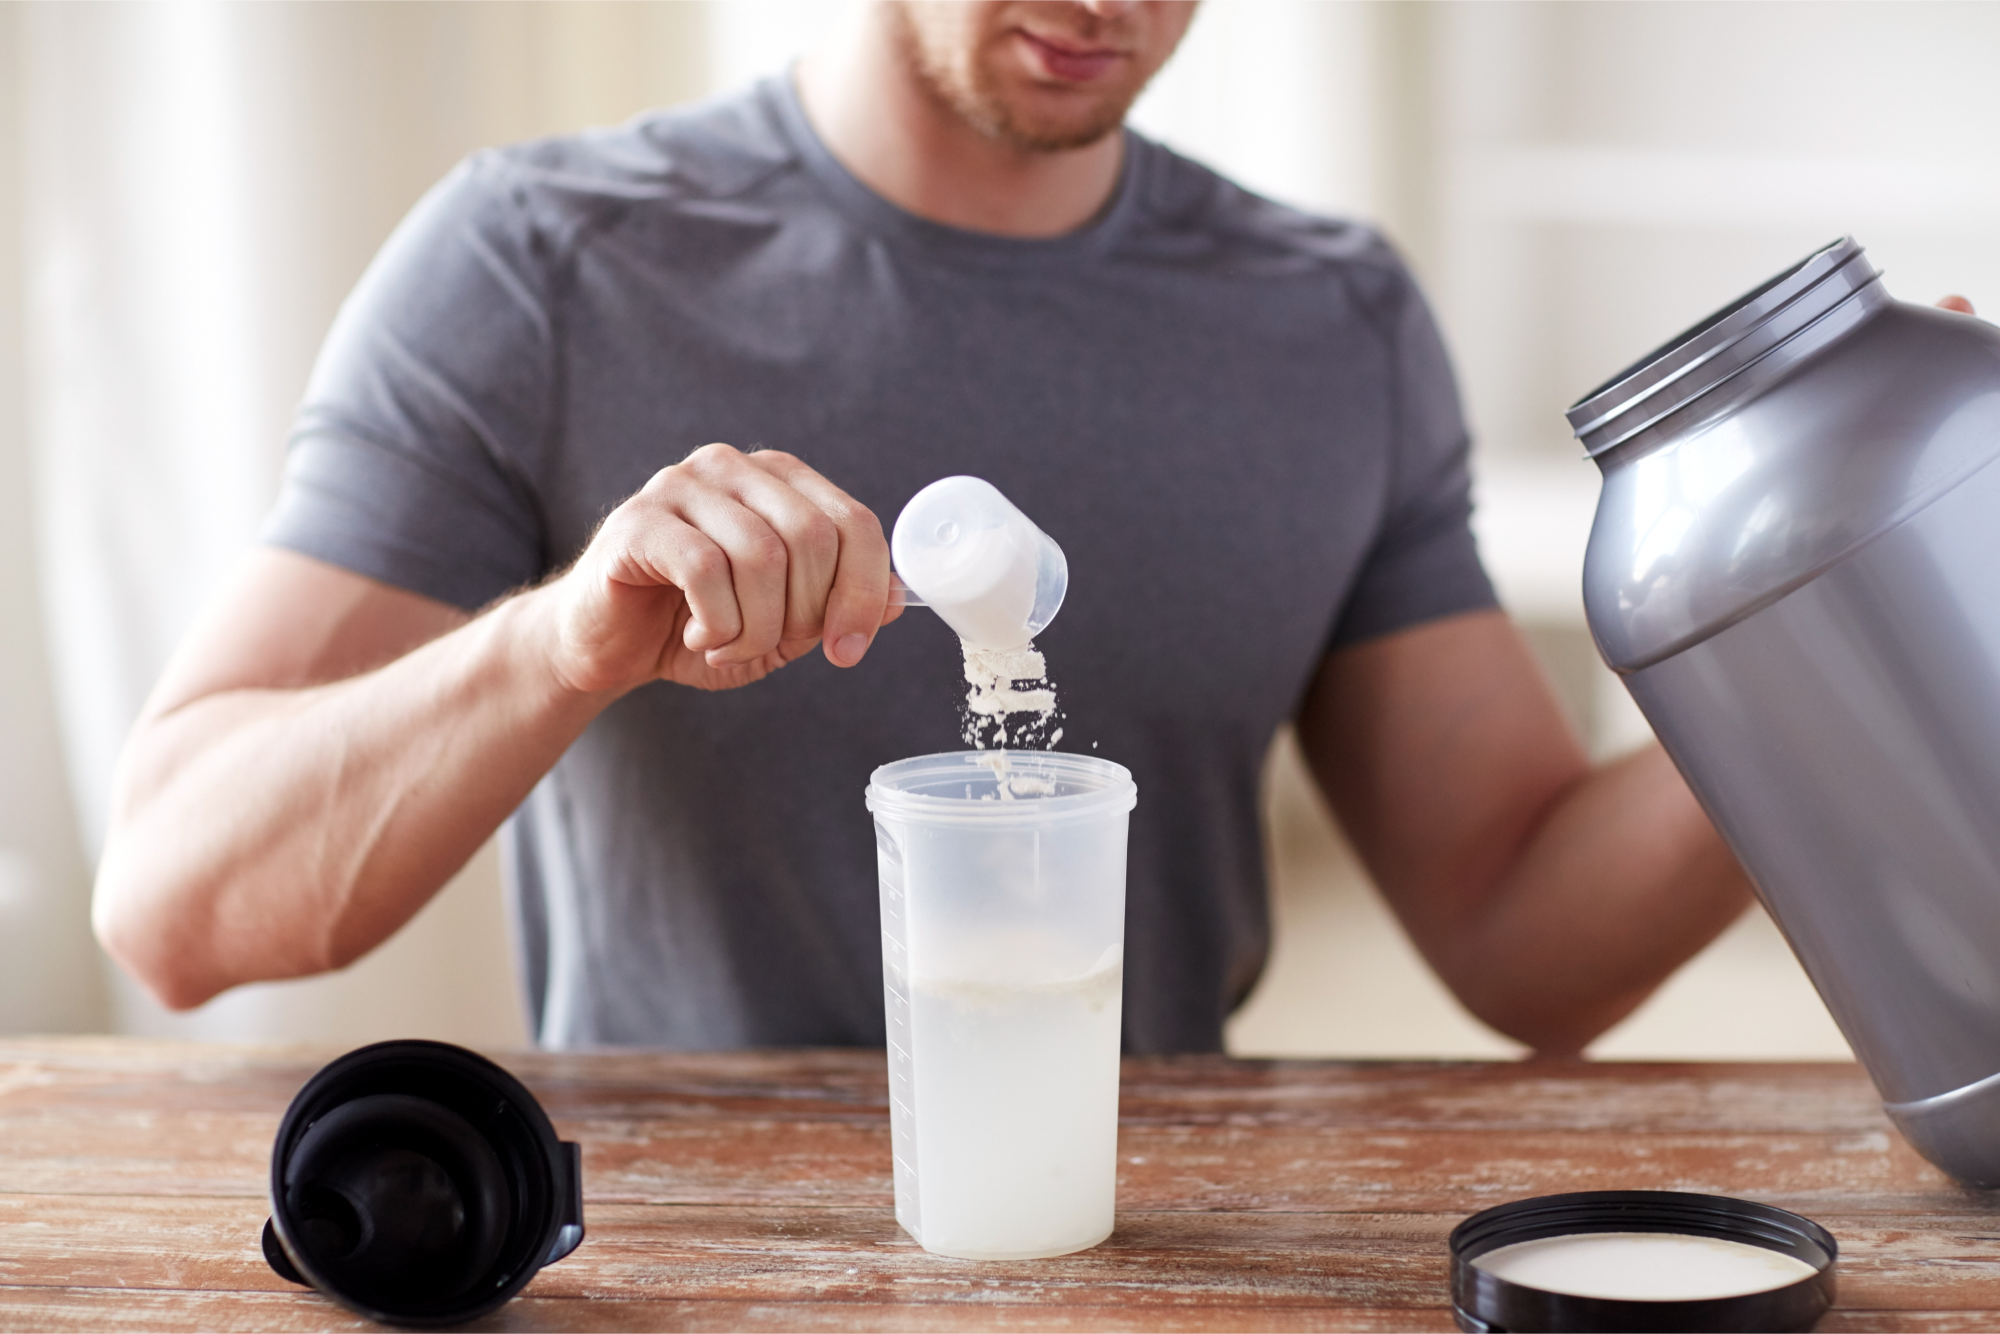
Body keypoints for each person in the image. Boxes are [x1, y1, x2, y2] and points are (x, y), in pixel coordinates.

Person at [94, 0, 1758, 1054]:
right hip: (689, 1268)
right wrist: (558, 640)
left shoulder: (1331, 322)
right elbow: (174, 906)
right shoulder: (543, 266)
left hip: (1148, 1257)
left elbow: (1526, 938)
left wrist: (1816, 631)